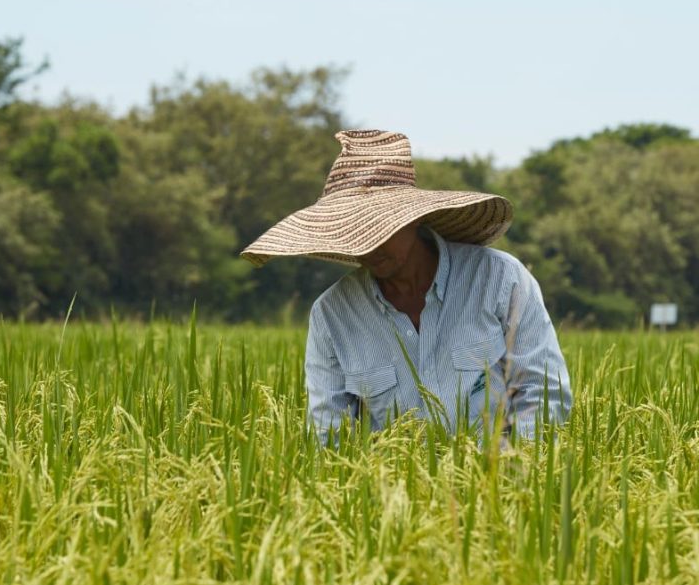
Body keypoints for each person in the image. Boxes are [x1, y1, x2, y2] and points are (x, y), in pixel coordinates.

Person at [241, 130, 572, 445]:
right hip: (389, 483)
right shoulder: (332, 315)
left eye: (380, 228)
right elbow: (329, 432)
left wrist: (512, 469)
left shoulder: (499, 279)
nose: (368, 245)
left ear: (413, 218)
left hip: (497, 477)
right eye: (355, 232)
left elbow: (542, 392)